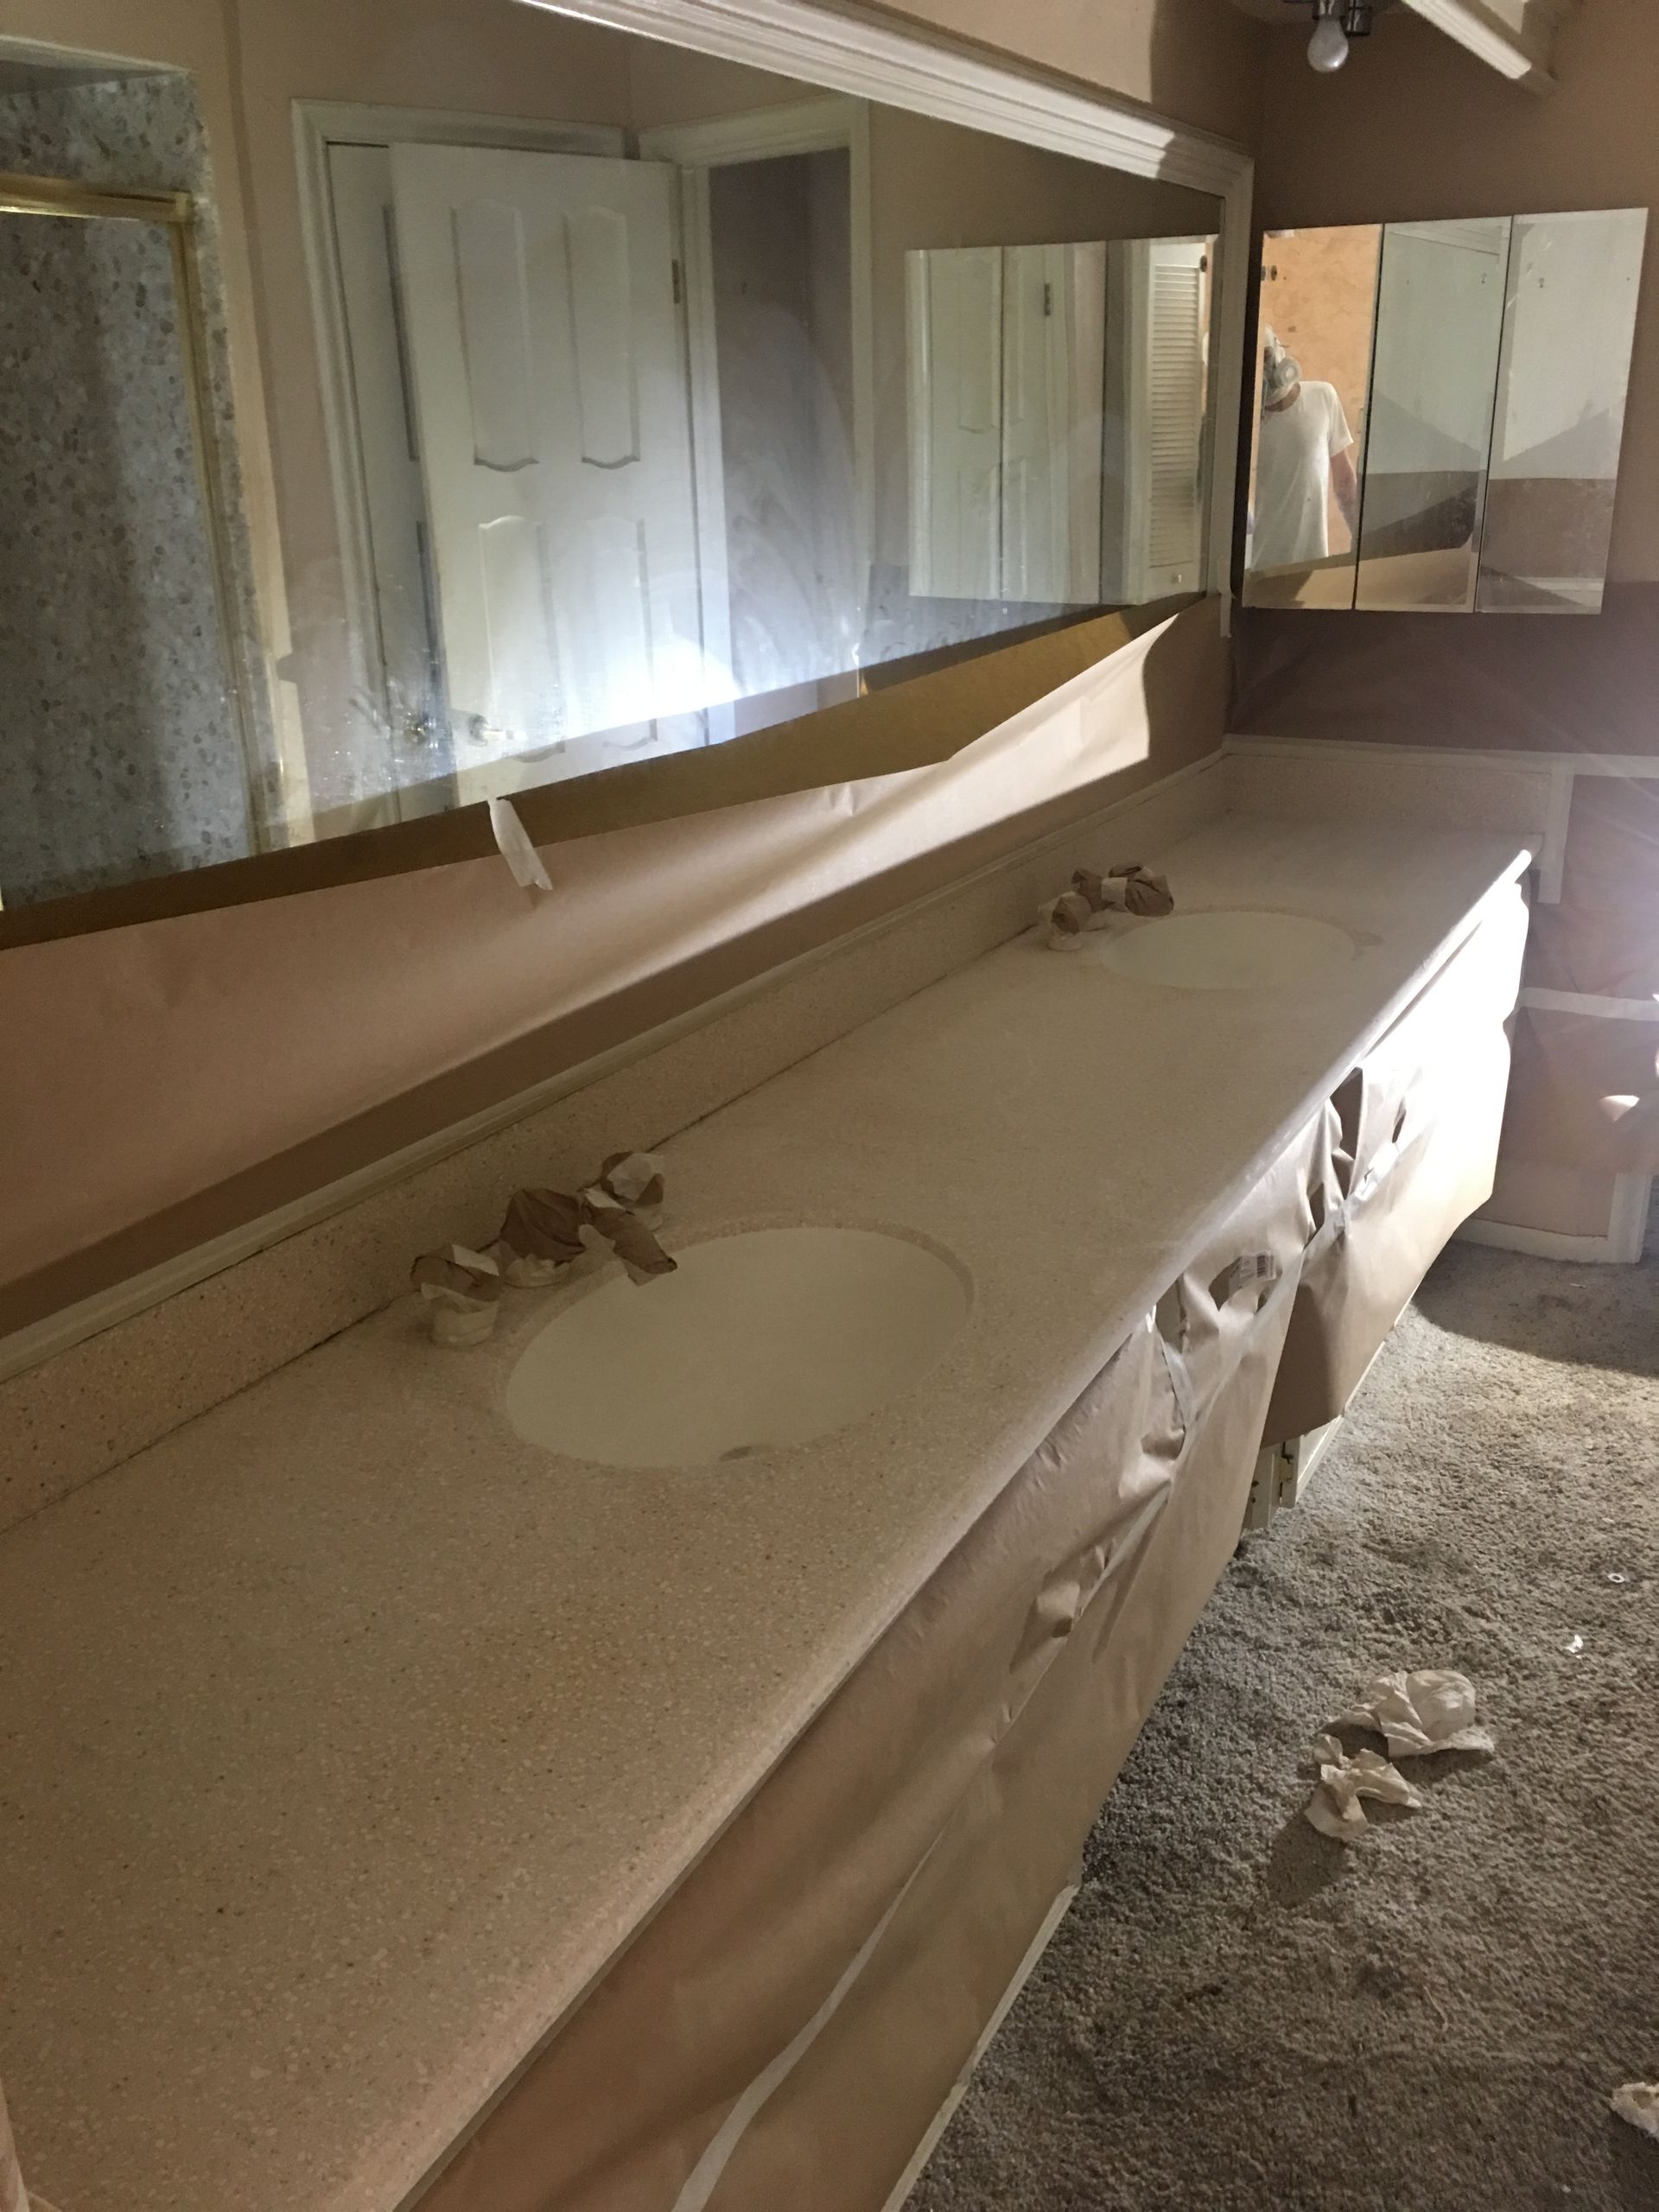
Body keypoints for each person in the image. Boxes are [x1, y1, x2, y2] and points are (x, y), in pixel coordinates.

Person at [1249, 331, 1359, 571]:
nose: (1264, 370)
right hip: (1262, 570)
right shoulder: (1241, 422)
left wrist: (1362, 551)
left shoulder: (1322, 396)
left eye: (1264, 360)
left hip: (1295, 566)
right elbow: (1345, 486)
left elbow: (1345, 485)